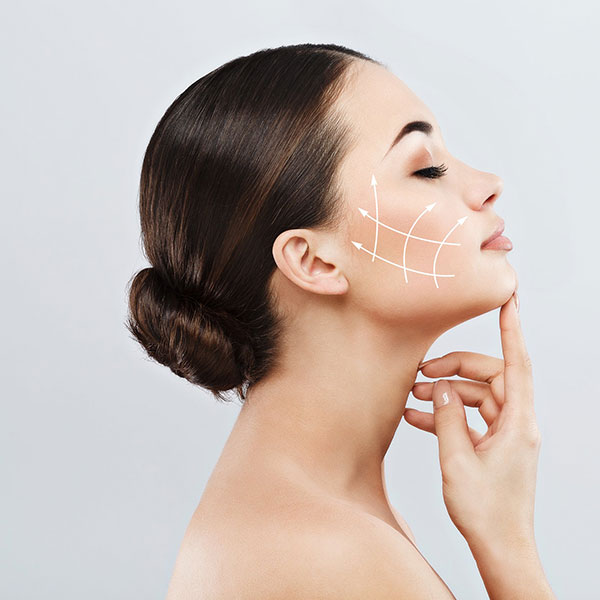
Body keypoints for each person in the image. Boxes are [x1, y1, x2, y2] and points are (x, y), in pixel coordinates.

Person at [126, 43, 554, 599]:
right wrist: (511, 549)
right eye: (425, 169)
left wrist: (499, 526)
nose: (487, 183)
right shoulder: (328, 551)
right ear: (314, 261)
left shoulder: (313, 516)